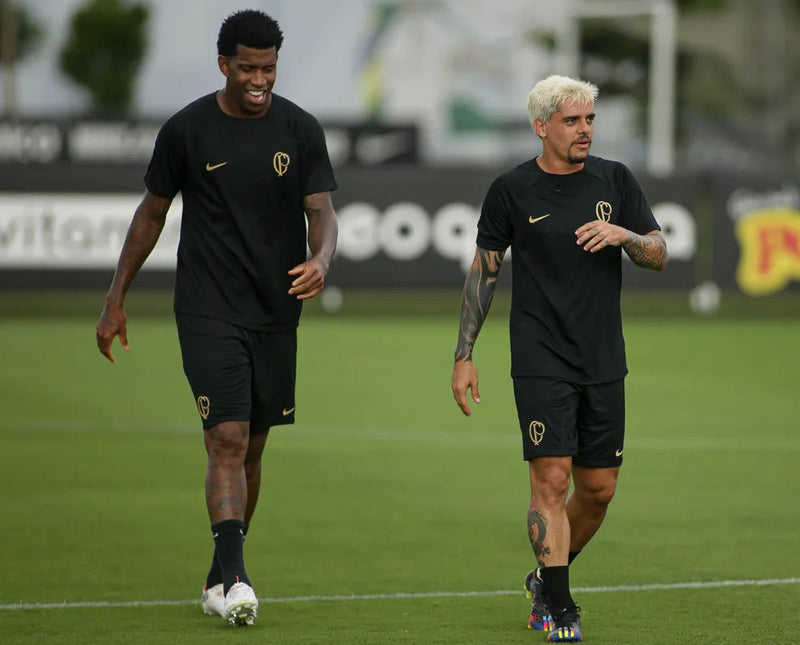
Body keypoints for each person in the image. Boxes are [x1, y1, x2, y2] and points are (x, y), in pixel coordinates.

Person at [95, 9, 338, 627]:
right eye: (248, 68)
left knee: (252, 447)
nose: (259, 80)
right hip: (206, 306)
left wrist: (322, 258)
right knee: (225, 438)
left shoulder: (301, 128)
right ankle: (237, 580)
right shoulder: (187, 130)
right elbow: (151, 214)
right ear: (224, 63)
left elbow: (322, 211)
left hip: (276, 308)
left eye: (269, 68)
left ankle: (216, 573)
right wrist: (115, 297)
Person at [450, 75, 667, 643]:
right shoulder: (510, 189)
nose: (585, 130)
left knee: (599, 489)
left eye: (590, 119)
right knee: (550, 478)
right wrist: (464, 354)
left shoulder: (616, 179)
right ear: (541, 126)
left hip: (603, 357)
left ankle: (544, 580)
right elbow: (485, 271)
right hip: (540, 354)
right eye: (573, 121)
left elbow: (659, 254)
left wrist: (624, 234)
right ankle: (561, 605)